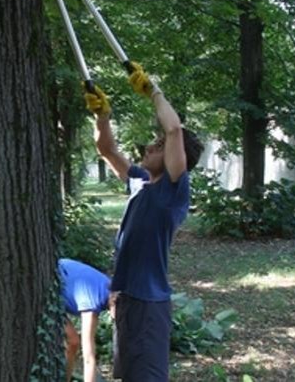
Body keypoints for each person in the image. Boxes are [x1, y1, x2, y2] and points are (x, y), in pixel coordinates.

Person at [84, 62, 204, 381]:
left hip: (150, 305)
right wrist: (102, 116)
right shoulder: (140, 183)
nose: (150, 147)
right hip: (126, 301)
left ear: (173, 158)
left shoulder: (173, 191)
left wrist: (153, 91)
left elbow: (174, 130)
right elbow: (106, 149)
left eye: (159, 146)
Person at [59, 258, 111, 382]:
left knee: (73, 342)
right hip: (47, 285)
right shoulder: (92, 303)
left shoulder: (111, 287)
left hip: (61, 274)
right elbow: (88, 357)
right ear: (114, 301)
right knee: (73, 341)